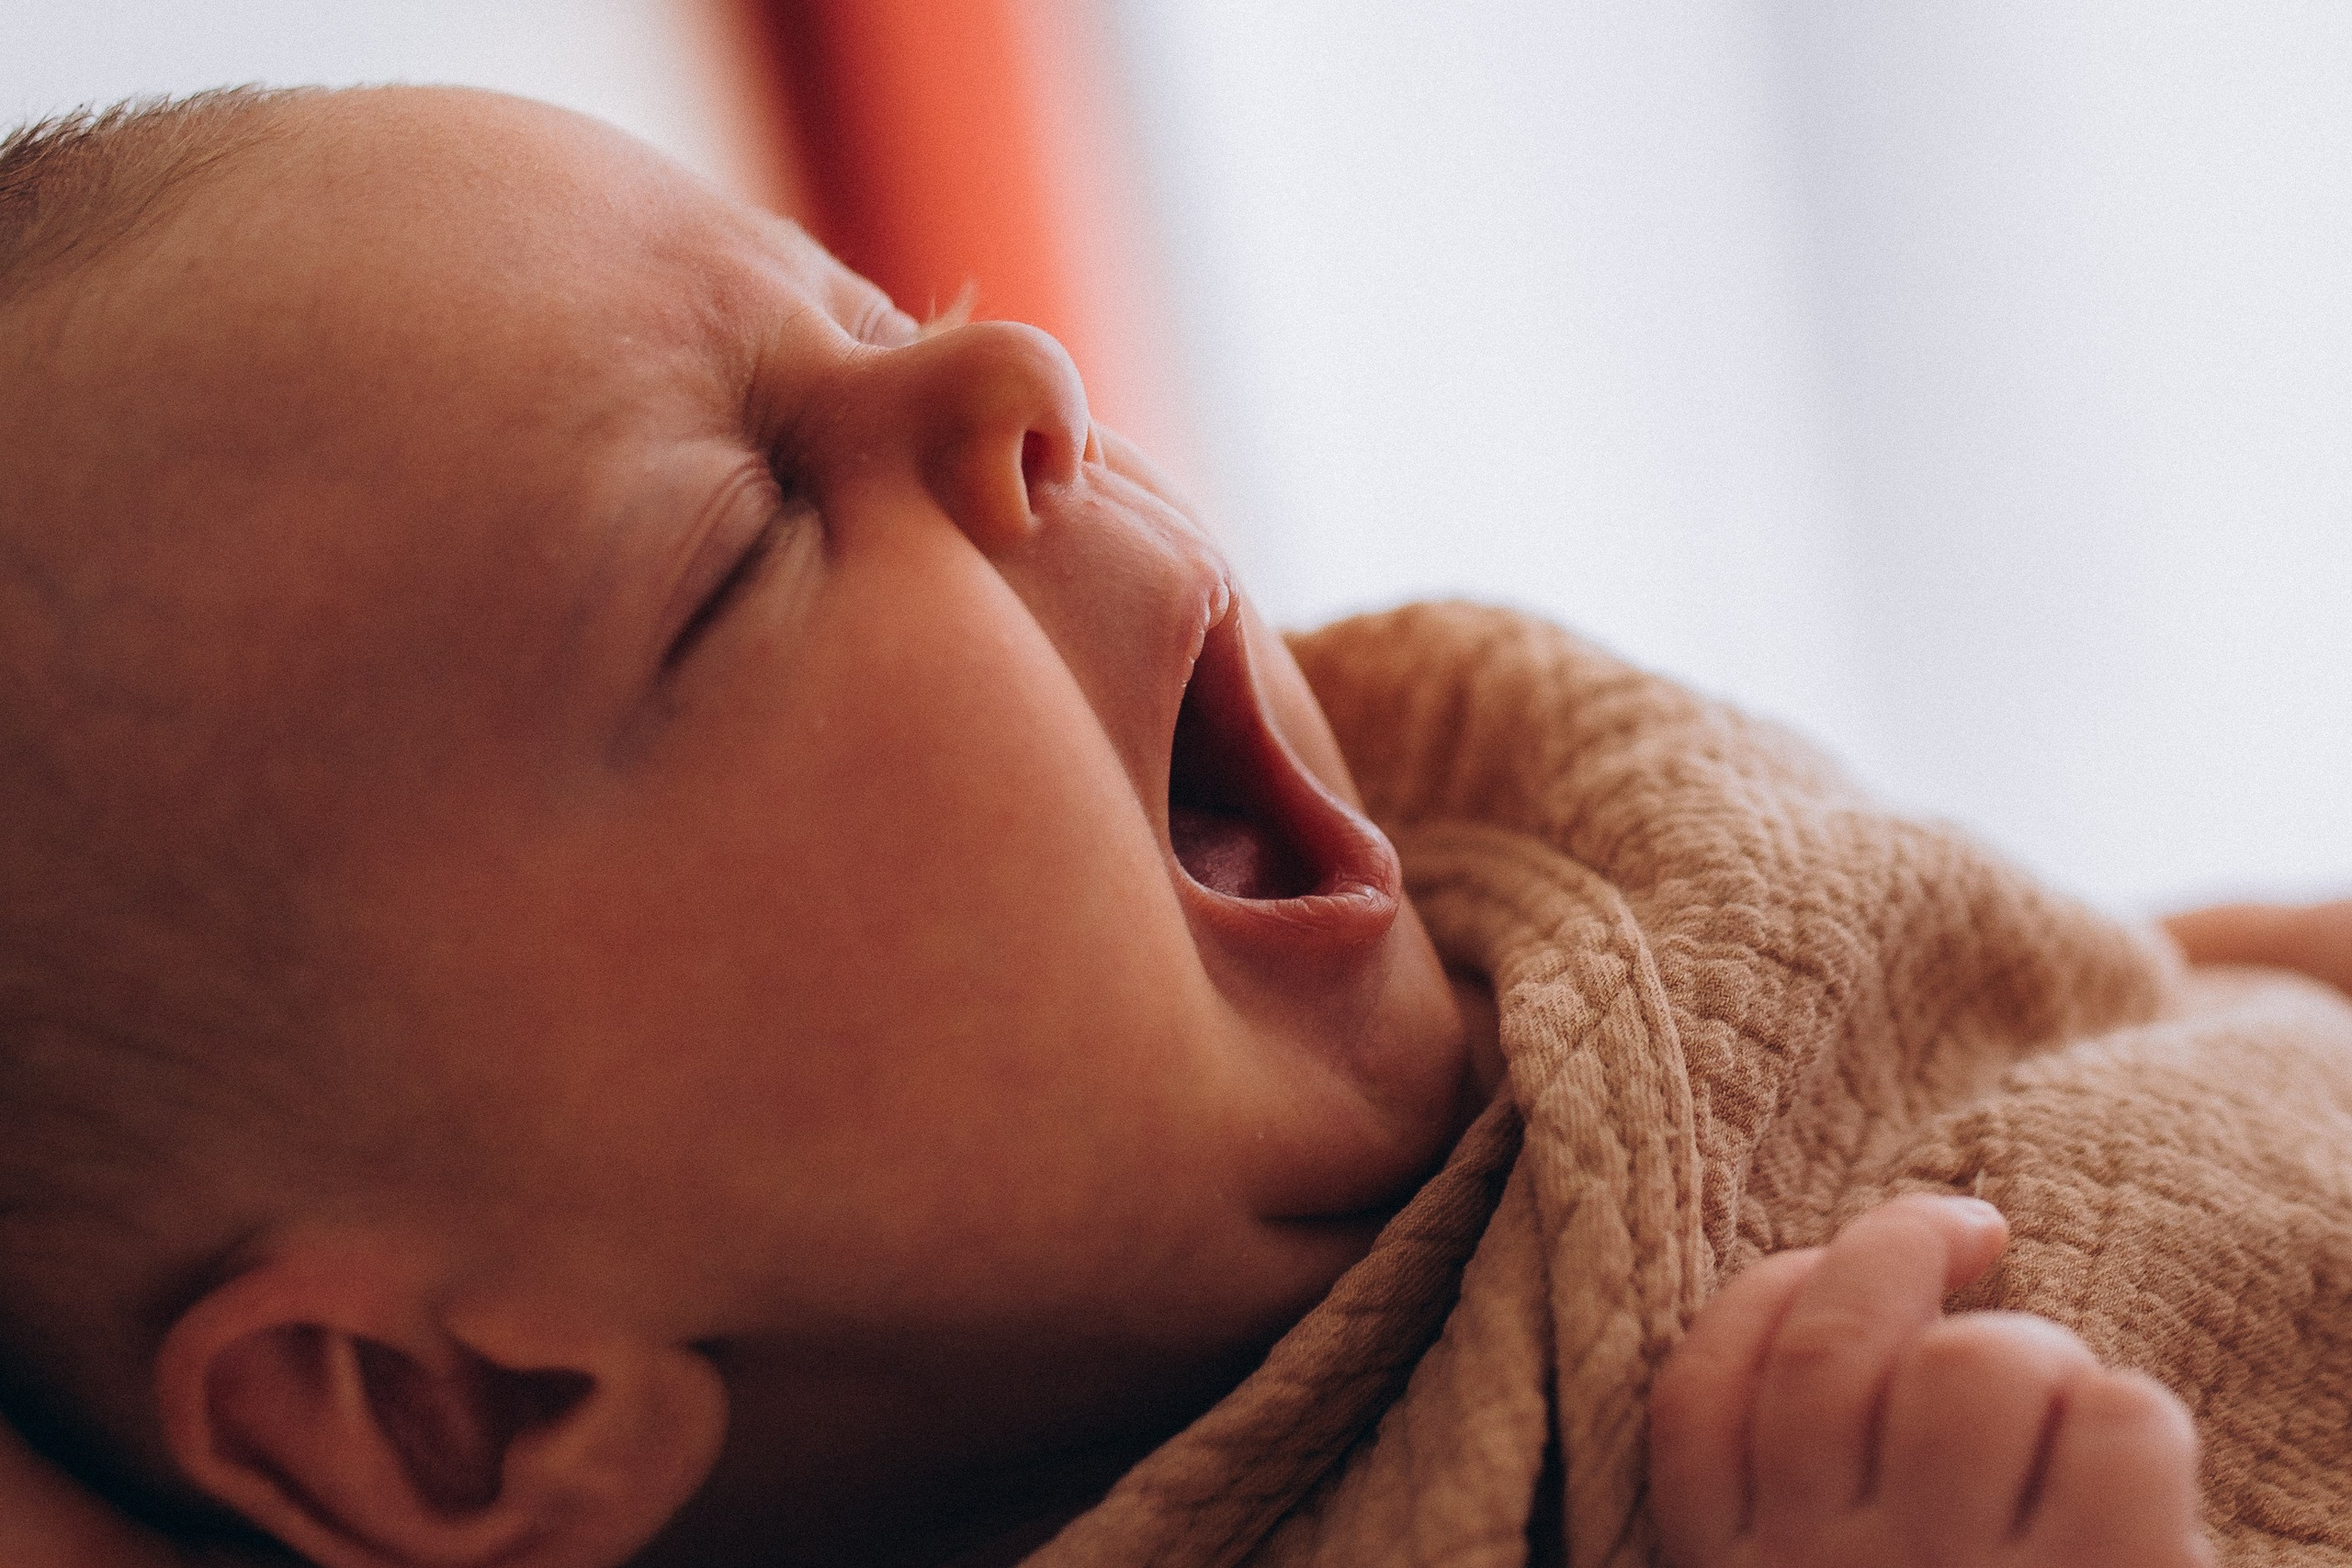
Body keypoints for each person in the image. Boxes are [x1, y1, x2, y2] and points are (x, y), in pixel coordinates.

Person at [0, 82, 2335, 1568]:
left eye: (872, 308)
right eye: (734, 548)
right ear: (457, 1396)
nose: (1009, 373)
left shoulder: (1510, 827)